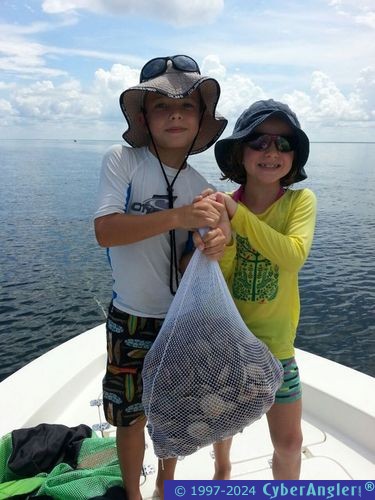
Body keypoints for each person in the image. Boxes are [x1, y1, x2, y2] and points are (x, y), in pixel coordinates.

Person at [94, 55, 231, 500]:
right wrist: (178, 216)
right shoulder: (123, 161)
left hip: (181, 320)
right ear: (143, 118)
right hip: (130, 316)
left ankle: (165, 488)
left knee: (172, 411)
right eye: (161, 106)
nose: (175, 114)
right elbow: (106, 231)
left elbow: (188, 264)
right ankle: (133, 494)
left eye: (188, 106)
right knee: (130, 417)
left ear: (200, 120)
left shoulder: (201, 185)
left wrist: (214, 244)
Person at [213, 99, 317, 479]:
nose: (271, 151)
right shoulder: (222, 207)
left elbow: (293, 256)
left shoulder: (300, 202)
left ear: (294, 157)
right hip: (229, 342)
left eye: (284, 144)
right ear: (240, 152)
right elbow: (220, 278)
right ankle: (222, 471)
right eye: (259, 141)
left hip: (277, 348)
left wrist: (236, 216)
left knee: (289, 443)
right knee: (222, 425)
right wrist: (218, 240)